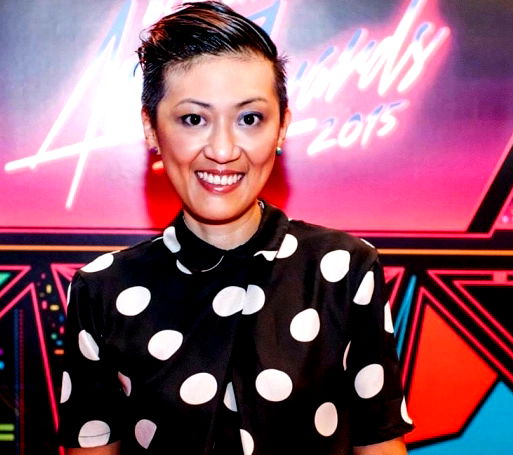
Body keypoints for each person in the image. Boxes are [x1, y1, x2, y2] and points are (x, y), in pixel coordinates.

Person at [58, 2, 413, 454]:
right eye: (193, 119)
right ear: (151, 128)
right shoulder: (102, 289)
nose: (223, 150)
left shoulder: (344, 269)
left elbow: (379, 442)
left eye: (249, 118)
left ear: (281, 126)